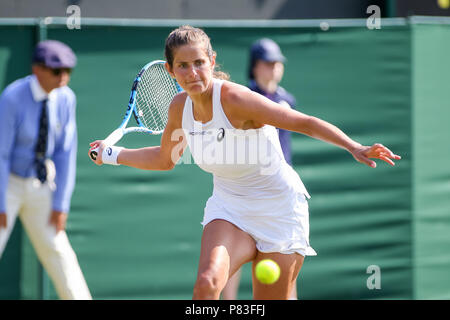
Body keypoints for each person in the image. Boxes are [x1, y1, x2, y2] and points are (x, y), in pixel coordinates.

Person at [89, 25, 401, 300]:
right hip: (230, 207)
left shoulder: (236, 100)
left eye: (199, 63)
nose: (192, 73)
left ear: (212, 61)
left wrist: (353, 146)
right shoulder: (178, 108)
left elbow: (303, 122)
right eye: (183, 66)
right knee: (207, 283)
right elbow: (164, 158)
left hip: (280, 209)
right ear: (171, 71)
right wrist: (110, 154)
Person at [0, 40, 92, 300]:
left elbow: (65, 152)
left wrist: (61, 203)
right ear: (36, 69)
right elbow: (1, 153)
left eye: (67, 71)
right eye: (56, 71)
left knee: (59, 251)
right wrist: (1, 204)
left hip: (42, 184)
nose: (63, 78)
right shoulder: (12, 97)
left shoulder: (66, 98)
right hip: (7, 184)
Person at [222, 38, 298, 300]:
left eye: (277, 63)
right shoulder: (243, 99)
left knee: (287, 258)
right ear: (255, 67)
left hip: (280, 193)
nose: (274, 68)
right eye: (268, 63)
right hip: (248, 189)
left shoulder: (288, 100)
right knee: (231, 257)